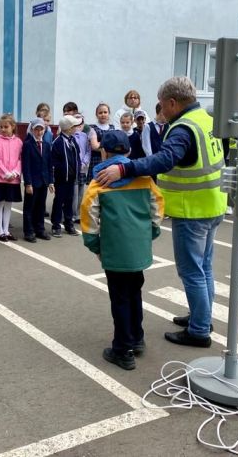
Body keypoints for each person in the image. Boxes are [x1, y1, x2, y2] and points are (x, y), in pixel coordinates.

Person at [96, 76, 227, 348]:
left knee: (192, 271)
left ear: (172, 102)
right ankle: (200, 316)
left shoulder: (183, 128)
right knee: (204, 268)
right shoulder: (206, 119)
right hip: (214, 204)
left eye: (162, 106)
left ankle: (199, 330)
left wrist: (125, 168)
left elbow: (165, 159)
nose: (162, 111)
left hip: (193, 210)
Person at [81, 130, 164, 370]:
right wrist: (151, 233)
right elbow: (157, 205)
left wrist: (95, 246)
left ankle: (122, 349)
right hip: (138, 248)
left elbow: (89, 217)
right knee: (135, 291)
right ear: (128, 151)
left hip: (114, 249)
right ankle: (136, 338)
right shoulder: (144, 178)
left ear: (104, 152)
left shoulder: (98, 182)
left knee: (119, 298)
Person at [21, 118, 54, 242]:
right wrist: (28, 183)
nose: (39, 132)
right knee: (29, 207)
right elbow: (26, 165)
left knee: (41, 206)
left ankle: (39, 229)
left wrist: (50, 181)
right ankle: (28, 231)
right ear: (32, 130)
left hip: (43, 181)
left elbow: (49, 164)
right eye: (37, 129)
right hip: (32, 182)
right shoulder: (28, 145)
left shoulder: (46, 145)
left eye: (42, 129)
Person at [0, 116, 23, 242]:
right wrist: (5, 173)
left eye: (6, 127)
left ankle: (6, 230)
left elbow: (20, 159)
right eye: (1, 127)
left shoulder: (19, 142)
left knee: (8, 204)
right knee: (0, 203)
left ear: (13, 126)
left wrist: (15, 172)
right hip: (0, 179)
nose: (3, 129)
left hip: (13, 178)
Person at [51, 115, 82, 238]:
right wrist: (59, 173)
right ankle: (56, 225)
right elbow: (54, 162)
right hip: (61, 178)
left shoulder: (73, 141)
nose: (76, 128)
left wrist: (78, 169)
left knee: (70, 200)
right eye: (74, 126)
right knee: (59, 201)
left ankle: (69, 223)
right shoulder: (57, 143)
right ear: (68, 128)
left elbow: (77, 157)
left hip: (72, 177)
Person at [88, 102, 116, 179]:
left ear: (109, 113)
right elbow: (95, 146)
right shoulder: (92, 128)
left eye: (105, 112)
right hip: (97, 160)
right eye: (100, 113)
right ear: (96, 115)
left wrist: (101, 144)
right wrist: (109, 145)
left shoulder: (113, 128)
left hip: (111, 160)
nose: (103, 114)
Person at [72, 113, 91, 223]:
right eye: (76, 124)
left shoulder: (85, 136)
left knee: (81, 192)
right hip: (74, 168)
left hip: (83, 168)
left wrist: (84, 162)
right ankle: (73, 213)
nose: (79, 126)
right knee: (74, 192)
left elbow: (88, 151)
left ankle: (78, 213)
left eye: (81, 124)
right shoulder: (71, 137)